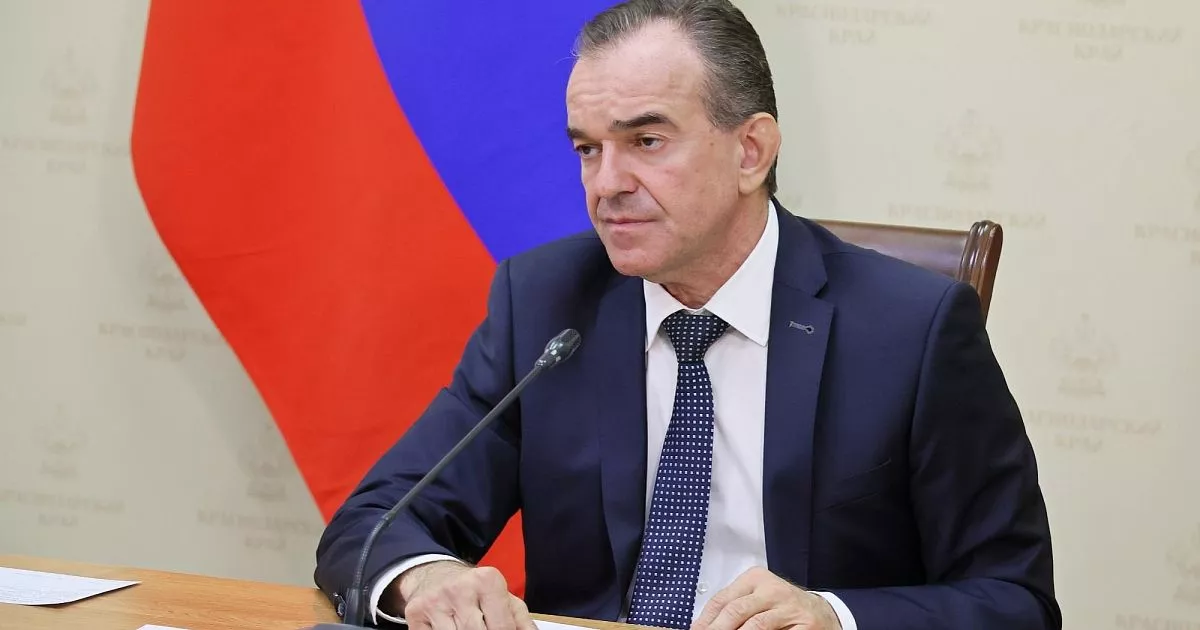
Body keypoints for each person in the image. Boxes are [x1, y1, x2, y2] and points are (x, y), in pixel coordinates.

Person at [314, 1, 1061, 629]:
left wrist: (833, 616)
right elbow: (375, 520)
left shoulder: (912, 330)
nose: (606, 184)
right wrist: (430, 577)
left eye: (646, 141)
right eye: (587, 149)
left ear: (751, 152)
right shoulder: (544, 304)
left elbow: (1014, 600)